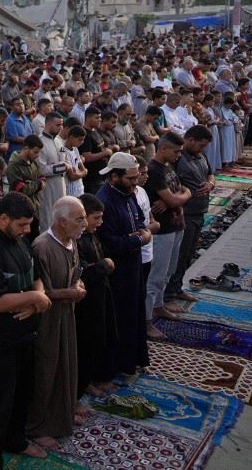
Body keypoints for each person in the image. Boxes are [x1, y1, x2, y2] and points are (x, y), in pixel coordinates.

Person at [0, 192, 52, 468]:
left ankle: (15, 440)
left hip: (25, 335)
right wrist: (34, 298)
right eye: (21, 224)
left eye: (29, 224)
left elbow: (37, 277)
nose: (27, 230)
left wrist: (35, 299)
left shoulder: (21, 241)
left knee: (21, 395)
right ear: (3, 219)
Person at [25, 196, 88, 449]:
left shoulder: (72, 241)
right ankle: (37, 428)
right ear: (62, 222)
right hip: (47, 321)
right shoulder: (42, 247)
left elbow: (76, 273)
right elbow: (41, 293)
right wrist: (70, 293)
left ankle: (62, 415)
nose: (84, 224)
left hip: (66, 316)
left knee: (66, 365)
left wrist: (78, 285)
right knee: (46, 371)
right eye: (79, 219)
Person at [96, 153, 151, 378]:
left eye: (136, 177)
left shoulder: (128, 194)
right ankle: (116, 366)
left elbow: (139, 220)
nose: (135, 182)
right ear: (114, 177)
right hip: (117, 271)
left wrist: (141, 233)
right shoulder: (105, 201)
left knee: (134, 312)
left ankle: (132, 360)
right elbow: (109, 242)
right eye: (131, 178)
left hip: (133, 265)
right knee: (119, 318)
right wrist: (138, 240)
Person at [144, 132, 190, 338]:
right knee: (156, 276)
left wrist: (178, 197)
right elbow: (174, 199)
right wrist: (174, 199)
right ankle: (146, 320)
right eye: (176, 151)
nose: (179, 155)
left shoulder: (168, 166)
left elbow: (183, 190)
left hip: (176, 224)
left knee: (169, 271)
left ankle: (159, 306)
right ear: (162, 149)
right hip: (162, 230)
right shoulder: (154, 170)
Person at [75, 193, 117, 398]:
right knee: (87, 343)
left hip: (102, 293)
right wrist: (103, 266)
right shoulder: (76, 240)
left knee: (102, 338)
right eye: (96, 218)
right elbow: (82, 272)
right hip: (86, 301)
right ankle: (82, 385)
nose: (100, 222)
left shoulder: (92, 235)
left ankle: (94, 377)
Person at [169, 125, 213, 306]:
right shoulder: (177, 158)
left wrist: (210, 184)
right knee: (178, 256)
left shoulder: (201, 156)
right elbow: (170, 184)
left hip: (199, 211)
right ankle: (168, 295)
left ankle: (177, 288)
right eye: (201, 145)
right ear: (190, 140)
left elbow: (210, 175)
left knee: (188, 255)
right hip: (185, 213)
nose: (203, 149)